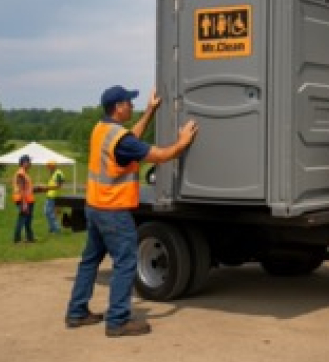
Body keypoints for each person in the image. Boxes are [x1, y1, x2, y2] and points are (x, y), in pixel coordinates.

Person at [65, 85, 198, 338]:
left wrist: (151, 110)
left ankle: (77, 312)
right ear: (118, 107)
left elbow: (130, 139)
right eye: (129, 102)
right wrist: (182, 142)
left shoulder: (101, 129)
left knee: (89, 261)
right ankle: (118, 320)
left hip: (94, 207)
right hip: (113, 212)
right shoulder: (120, 140)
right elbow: (158, 156)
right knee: (126, 263)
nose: (131, 105)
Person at [12, 154, 36, 243]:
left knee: (28, 220)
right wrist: (24, 202)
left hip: (28, 199)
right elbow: (21, 188)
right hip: (23, 199)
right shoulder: (20, 174)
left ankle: (30, 238)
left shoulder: (25, 173)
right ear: (24, 163)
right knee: (22, 219)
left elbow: (27, 188)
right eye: (29, 161)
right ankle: (17, 239)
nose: (30, 163)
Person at [44, 160, 65, 234]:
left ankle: (56, 229)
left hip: (53, 196)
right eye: (48, 166)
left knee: (49, 213)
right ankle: (53, 228)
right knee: (48, 213)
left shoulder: (58, 173)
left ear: (53, 166)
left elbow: (59, 186)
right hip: (50, 196)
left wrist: (47, 188)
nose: (48, 168)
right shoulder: (53, 173)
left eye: (49, 166)